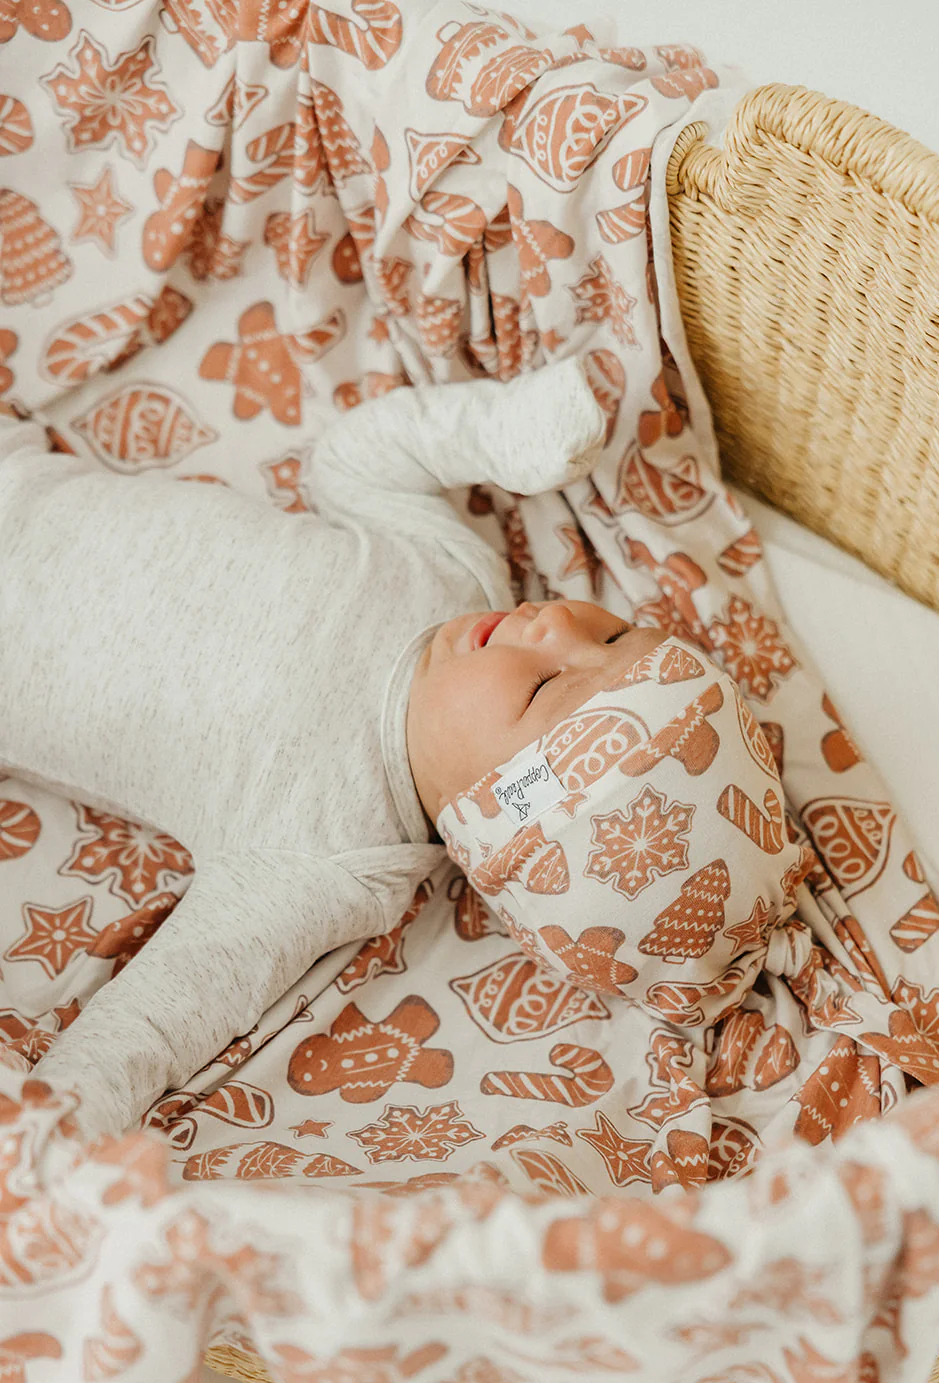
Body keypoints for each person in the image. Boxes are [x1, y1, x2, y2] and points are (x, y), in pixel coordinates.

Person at [0, 356, 808, 1145]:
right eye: (611, 632)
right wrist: (503, 432)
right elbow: (356, 464)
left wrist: (57, 1122)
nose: (554, 621)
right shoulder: (458, 575)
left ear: (489, 815)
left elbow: (170, 1003)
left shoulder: (331, 851)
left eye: (541, 688)